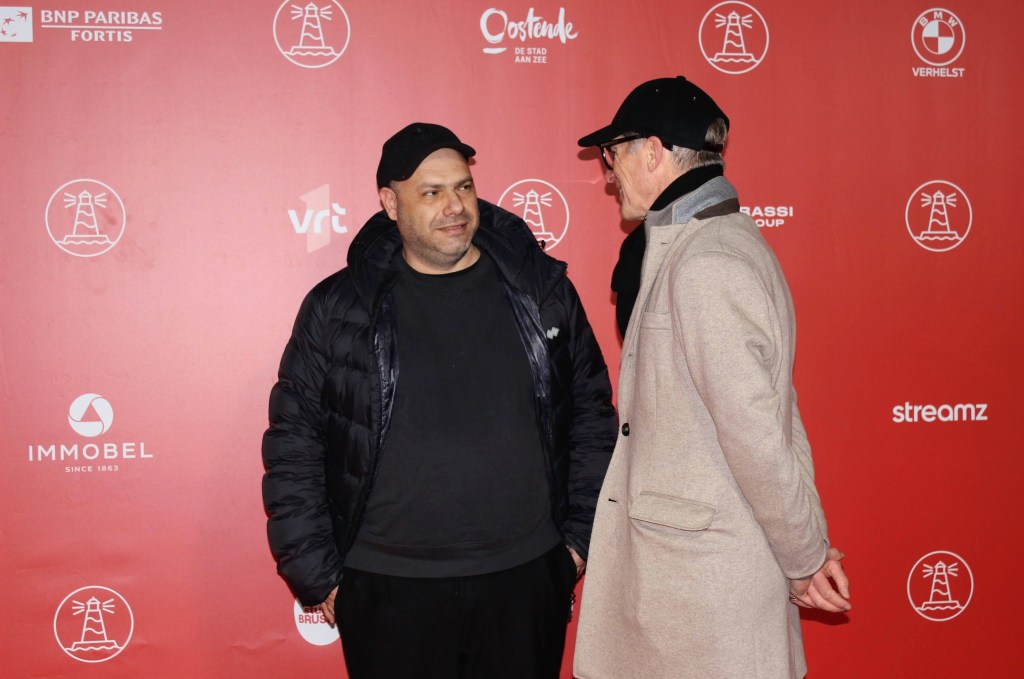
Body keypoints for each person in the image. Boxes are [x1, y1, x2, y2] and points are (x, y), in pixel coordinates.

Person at [262, 122, 617, 679]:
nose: (455, 206)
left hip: (524, 578)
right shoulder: (338, 307)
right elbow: (294, 444)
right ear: (390, 203)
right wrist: (318, 572)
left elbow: (592, 418)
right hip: (386, 587)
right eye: (431, 192)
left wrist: (577, 541)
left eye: (463, 187)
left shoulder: (541, 290)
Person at [572, 77, 851, 678]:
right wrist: (807, 543)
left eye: (612, 155)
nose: (608, 174)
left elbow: (757, 434)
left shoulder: (706, 262)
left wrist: (804, 556)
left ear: (652, 152)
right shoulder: (715, 242)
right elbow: (780, 411)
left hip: (701, 590)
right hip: (698, 579)